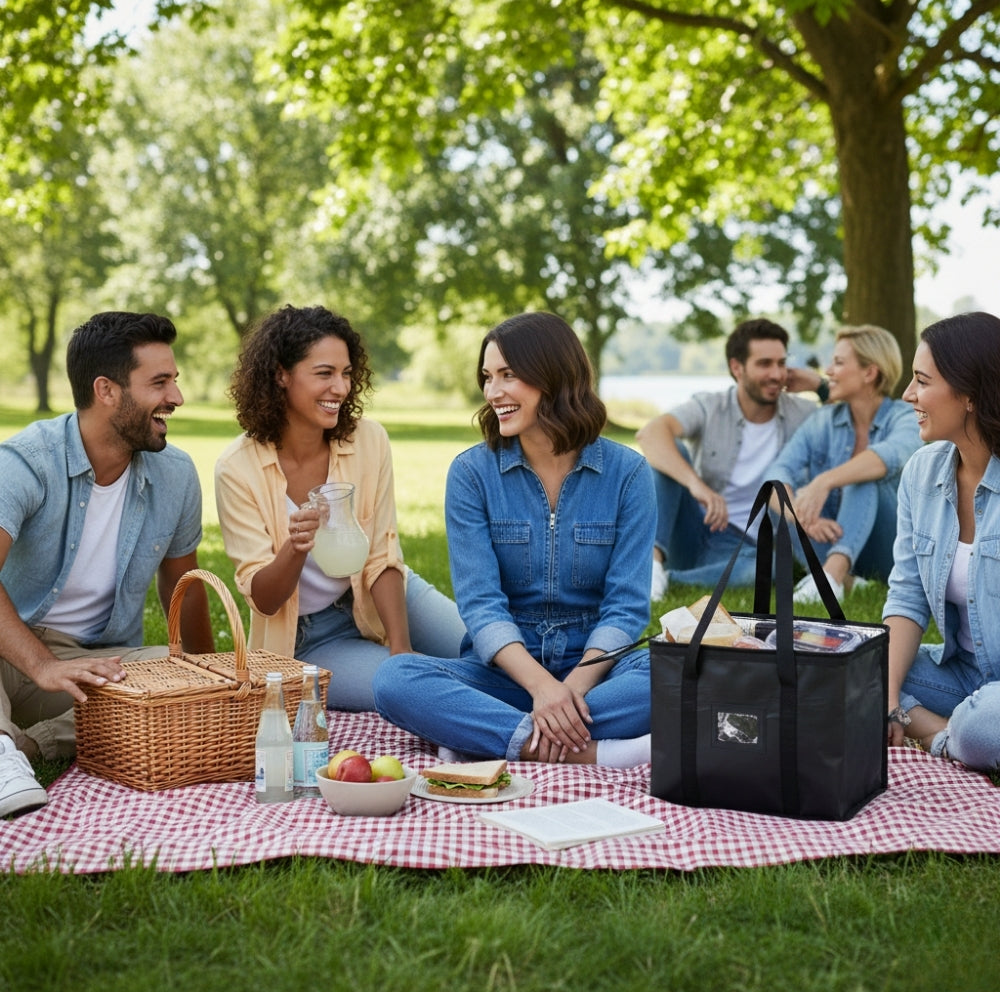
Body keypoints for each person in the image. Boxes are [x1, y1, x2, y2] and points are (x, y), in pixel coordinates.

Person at [372, 311, 656, 767]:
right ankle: (587, 752)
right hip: (505, 671)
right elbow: (481, 604)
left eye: (509, 375)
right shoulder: (471, 474)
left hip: (595, 670)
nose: (492, 393)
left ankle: (488, 733)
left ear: (554, 376)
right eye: (488, 377)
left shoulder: (629, 474)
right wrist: (541, 688)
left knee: (676, 673)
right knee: (395, 678)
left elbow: (626, 605)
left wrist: (568, 691)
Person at [0, 311, 214, 817]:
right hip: (12, 652)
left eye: (175, 381)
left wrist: (214, 682)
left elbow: (184, 586)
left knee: (188, 680)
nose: (176, 399)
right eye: (160, 383)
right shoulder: (26, 462)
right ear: (107, 390)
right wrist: (42, 664)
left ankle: (24, 748)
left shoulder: (176, 475)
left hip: (101, 667)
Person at [214, 304, 465, 712]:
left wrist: (400, 649)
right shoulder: (237, 469)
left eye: (346, 373)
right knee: (420, 687)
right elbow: (263, 598)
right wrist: (295, 547)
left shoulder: (368, 441)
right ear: (281, 375)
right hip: (311, 636)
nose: (341, 387)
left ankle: (568, 705)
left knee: (486, 651)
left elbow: (382, 555)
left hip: (387, 593)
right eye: (324, 373)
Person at [884, 311, 1000, 770]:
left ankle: (939, 735)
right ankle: (949, 730)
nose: (907, 394)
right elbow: (907, 594)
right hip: (962, 673)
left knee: (985, 725)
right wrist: (887, 697)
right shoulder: (922, 471)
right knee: (856, 670)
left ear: (969, 394)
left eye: (921, 381)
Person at [635, 318, 824, 597]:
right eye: (765, 364)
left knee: (769, 568)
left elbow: (849, 423)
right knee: (669, 452)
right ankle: (652, 565)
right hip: (695, 527)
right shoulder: (711, 406)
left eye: (782, 363)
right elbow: (650, 433)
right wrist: (696, 485)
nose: (777, 374)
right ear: (737, 368)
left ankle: (664, 580)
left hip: (746, 546)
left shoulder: (802, 414)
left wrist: (819, 384)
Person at [768, 325, 921, 603]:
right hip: (833, 536)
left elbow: (886, 457)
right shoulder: (822, 420)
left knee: (862, 475)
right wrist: (800, 515)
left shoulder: (906, 417)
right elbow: (774, 477)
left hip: (891, 550)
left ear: (870, 372)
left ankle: (829, 579)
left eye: (838, 363)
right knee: (782, 497)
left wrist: (823, 481)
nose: (828, 371)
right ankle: (843, 579)